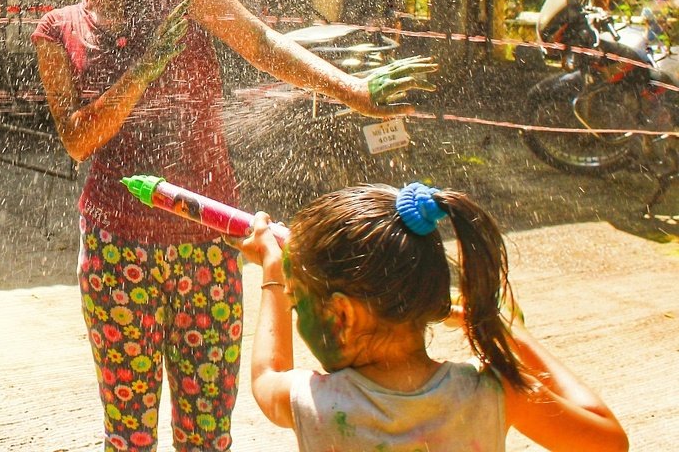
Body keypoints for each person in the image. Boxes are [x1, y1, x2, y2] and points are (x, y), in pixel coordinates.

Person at [31, 0, 436, 452]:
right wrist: (144, 71)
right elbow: (78, 139)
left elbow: (261, 42)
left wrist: (353, 89)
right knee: (129, 435)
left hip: (209, 240)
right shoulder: (55, 29)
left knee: (206, 433)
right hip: (117, 250)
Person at [239, 182, 629, 452]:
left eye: (297, 303)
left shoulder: (316, 403)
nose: (295, 310)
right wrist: (509, 332)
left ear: (342, 315)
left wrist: (273, 274)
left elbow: (266, 376)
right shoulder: (492, 394)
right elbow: (608, 441)